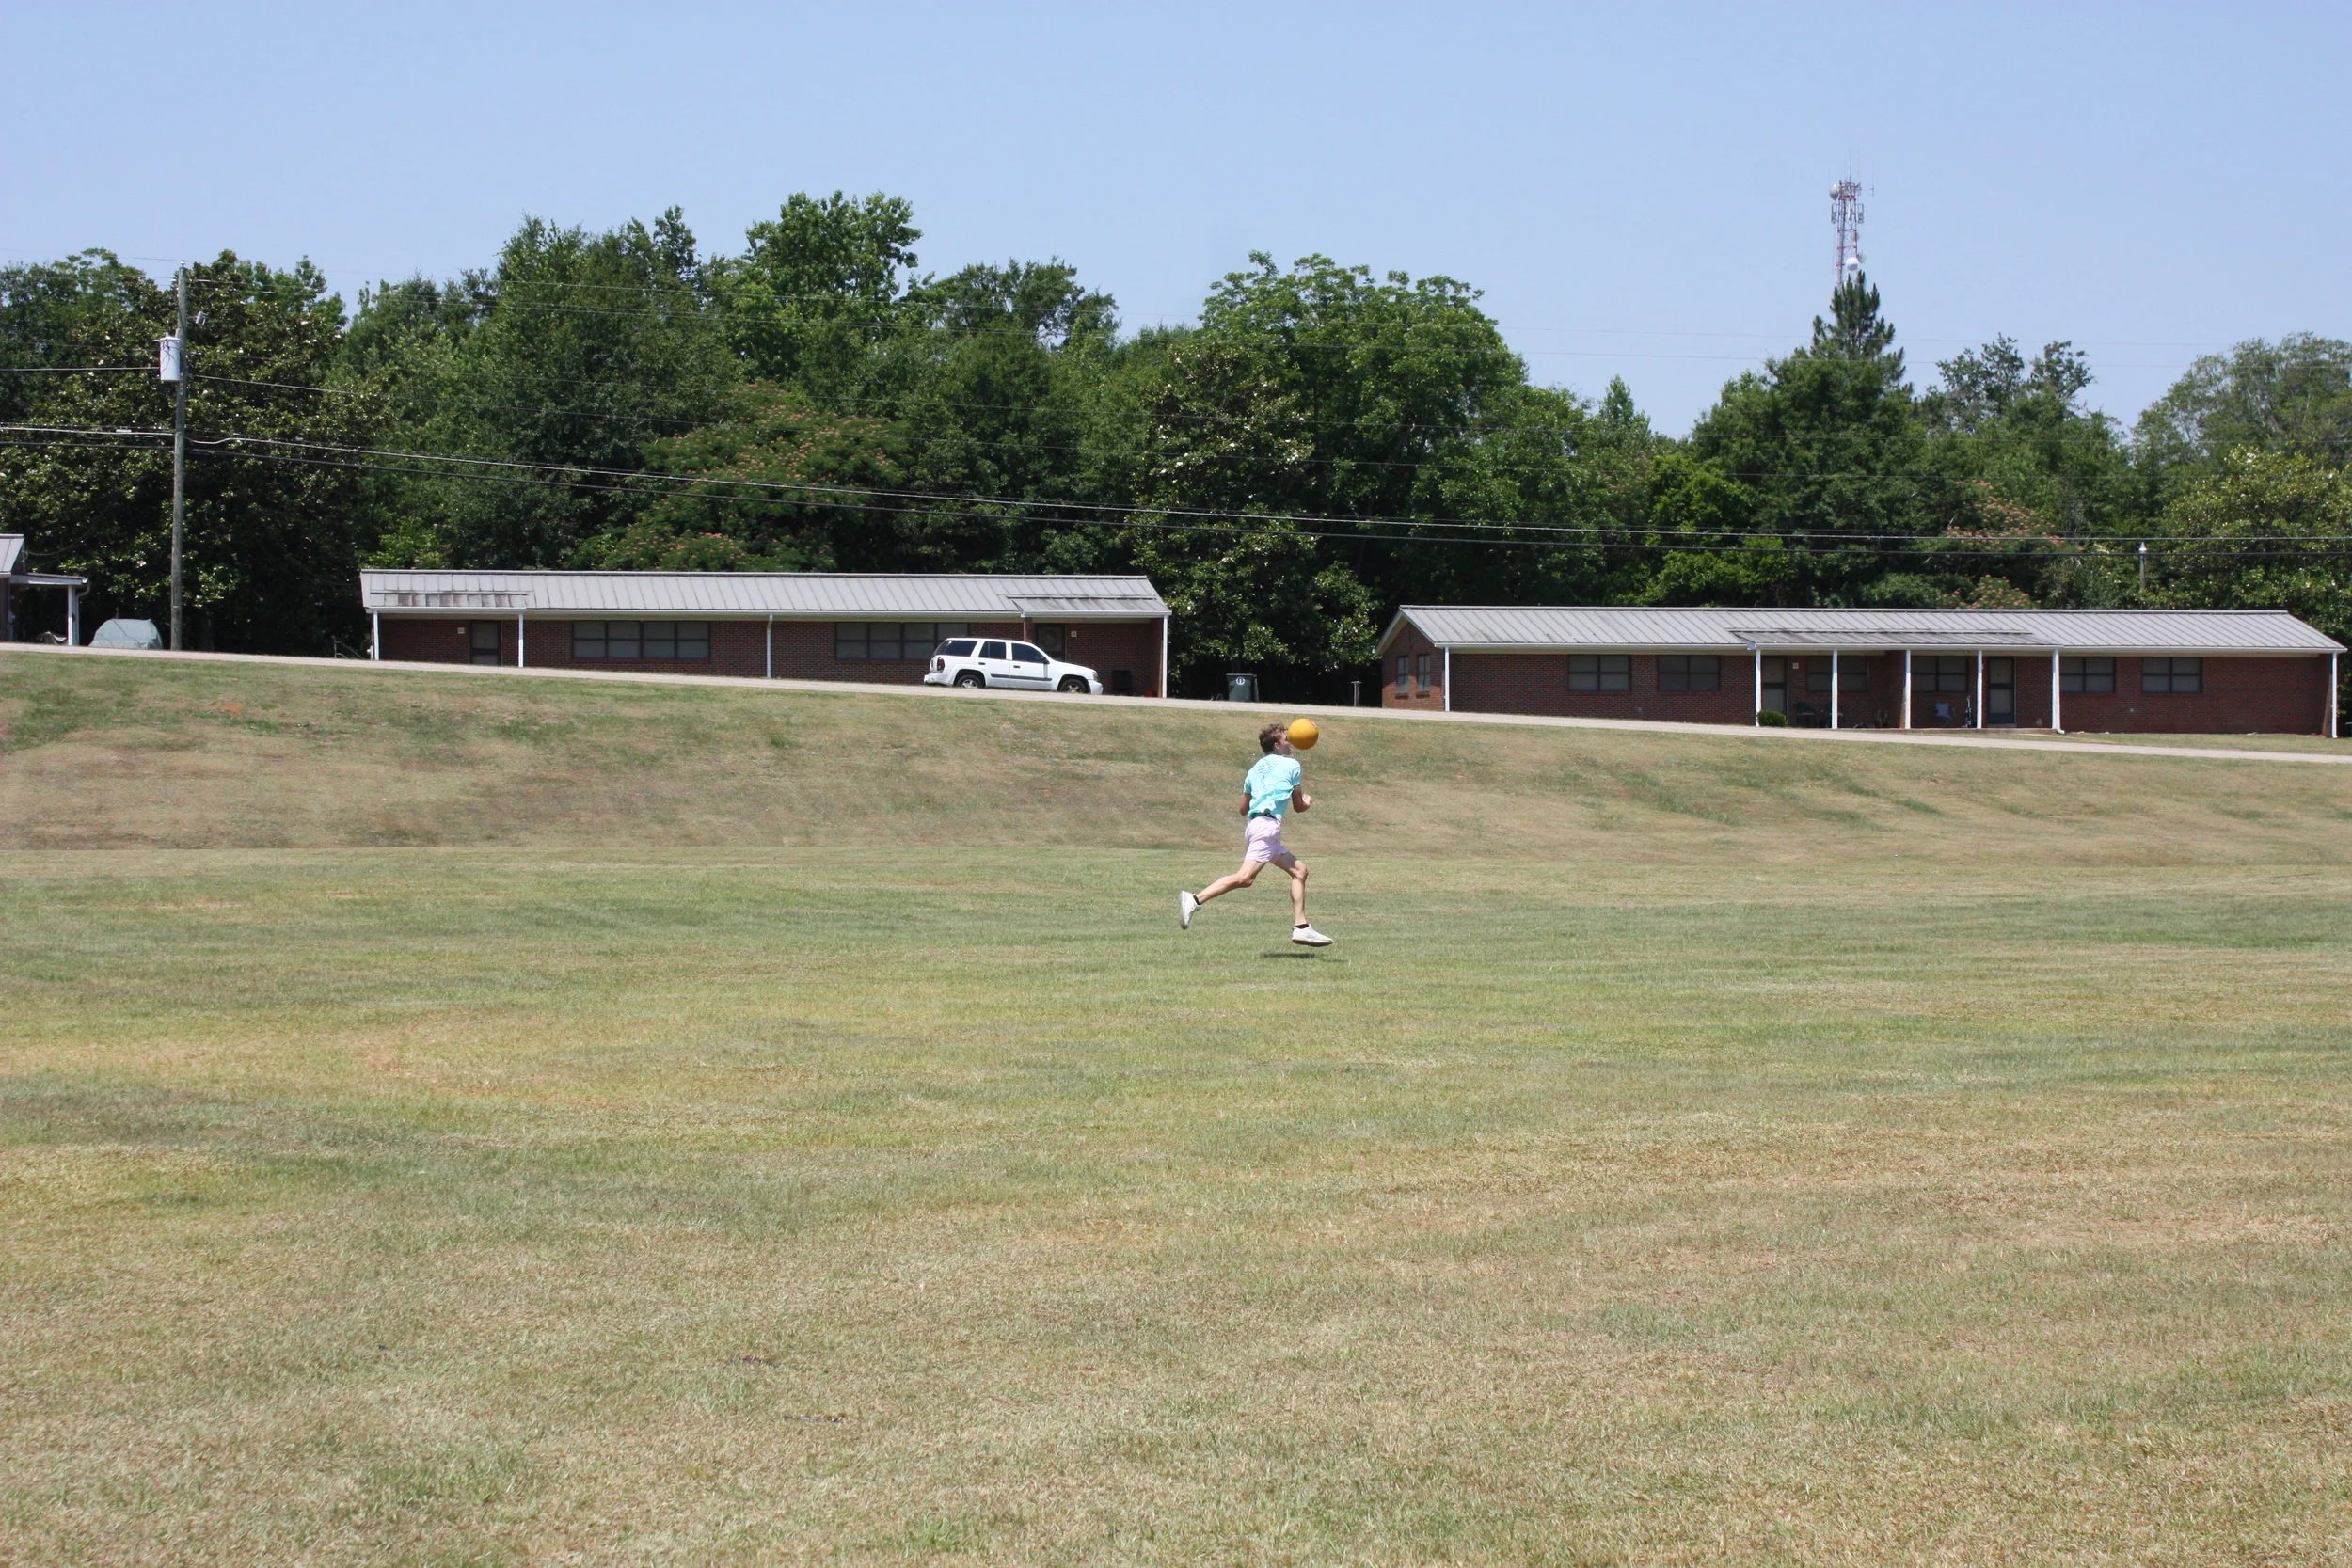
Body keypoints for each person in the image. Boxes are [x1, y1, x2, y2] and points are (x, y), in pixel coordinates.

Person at [1179, 722, 1333, 946]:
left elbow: (1243, 808)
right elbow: (1299, 806)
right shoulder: (1292, 765)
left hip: (1255, 826)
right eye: (1287, 739)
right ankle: (1194, 899)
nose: (1291, 742)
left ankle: (1302, 927)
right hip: (1267, 827)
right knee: (1245, 878)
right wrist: (1307, 803)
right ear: (1278, 745)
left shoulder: (1253, 770)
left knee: (1300, 871)